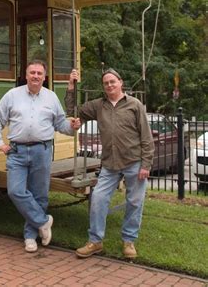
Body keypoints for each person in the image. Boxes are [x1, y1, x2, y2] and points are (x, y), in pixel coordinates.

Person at [0, 60, 80, 253]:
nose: (36, 76)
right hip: (16, 152)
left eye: (40, 73)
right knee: (15, 191)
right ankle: (43, 221)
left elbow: (60, 124)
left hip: (42, 151)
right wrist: (0, 144)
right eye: (32, 73)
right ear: (26, 74)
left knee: (40, 195)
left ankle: (30, 236)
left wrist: (71, 127)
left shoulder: (51, 98)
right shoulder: (12, 96)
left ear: (44, 77)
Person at [66, 68, 154, 259]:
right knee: (98, 199)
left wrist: (146, 164)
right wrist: (71, 86)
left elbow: (146, 137)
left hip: (133, 161)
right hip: (109, 164)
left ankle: (129, 241)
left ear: (120, 82)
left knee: (135, 201)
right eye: (106, 83)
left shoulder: (134, 105)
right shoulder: (99, 105)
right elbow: (73, 110)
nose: (109, 85)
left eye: (112, 81)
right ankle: (95, 241)